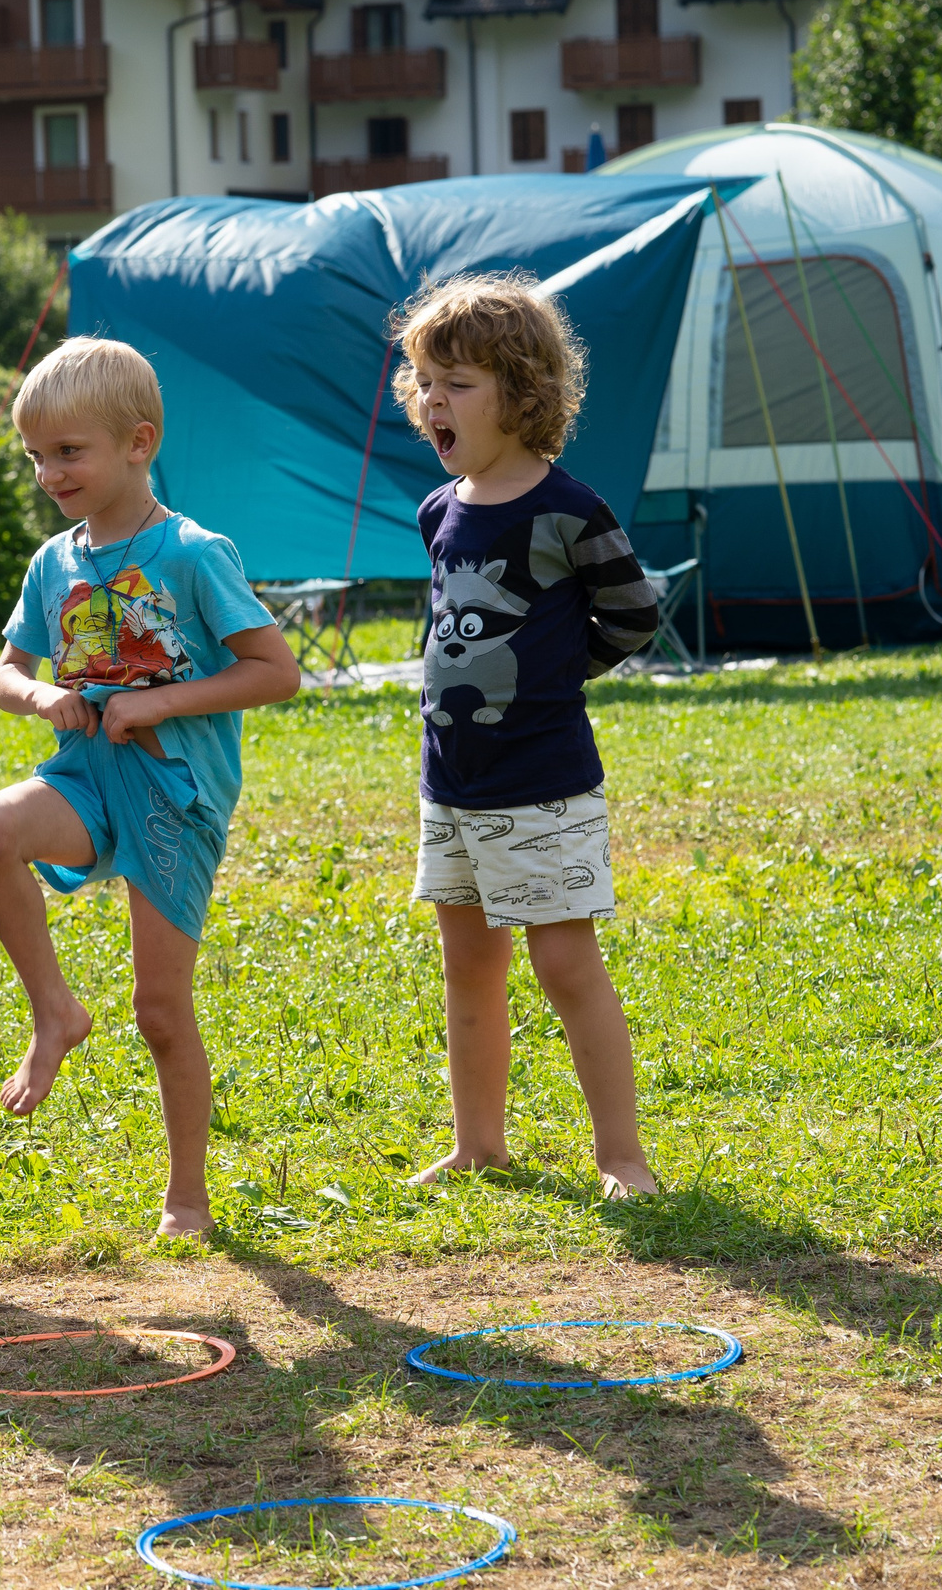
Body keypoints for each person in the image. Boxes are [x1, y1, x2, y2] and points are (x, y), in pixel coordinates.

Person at [0, 337, 300, 1240]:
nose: (49, 474)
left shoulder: (193, 553)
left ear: (139, 442)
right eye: (36, 456)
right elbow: (5, 672)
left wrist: (160, 703)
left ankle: (186, 1197)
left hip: (171, 794)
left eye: (69, 452)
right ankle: (55, 1011)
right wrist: (43, 696)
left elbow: (276, 671)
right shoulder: (53, 562)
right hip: (84, 777)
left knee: (160, 1011)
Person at [392, 273, 661, 1199]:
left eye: (457, 383)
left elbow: (633, 614)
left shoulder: (568, 511)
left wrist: (556, 675)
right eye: (425, 381)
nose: (434, 400)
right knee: (468, 965)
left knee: (564, 964)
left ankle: (621, 1156)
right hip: (452, 784)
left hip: (543, 782)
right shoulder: (438, 512)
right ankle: (478, 1144)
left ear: (522, 392)